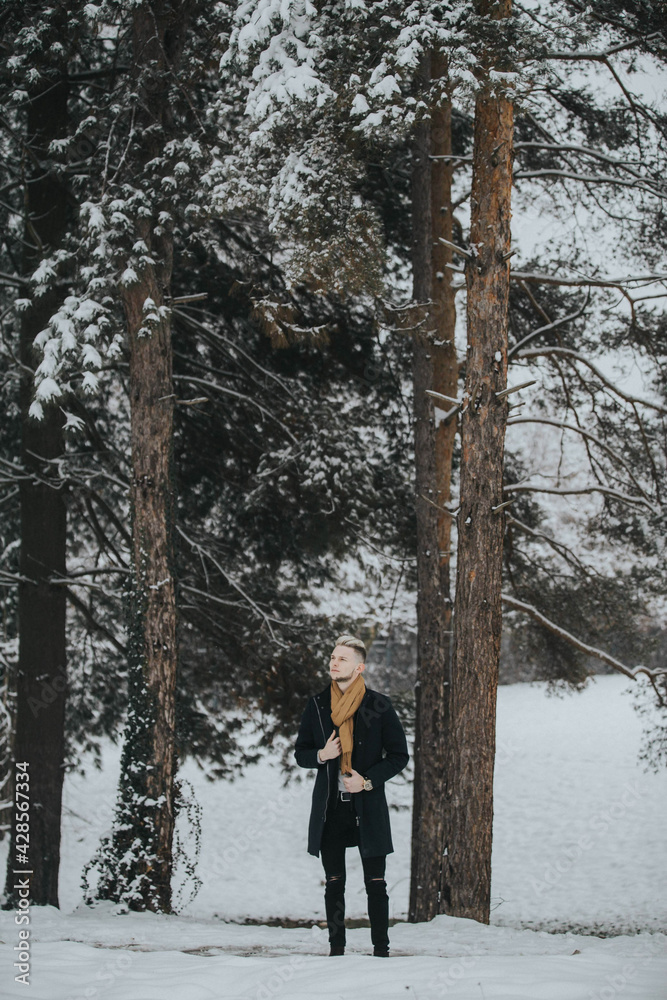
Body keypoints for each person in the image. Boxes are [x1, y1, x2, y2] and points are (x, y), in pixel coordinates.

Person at [294, 634, 409, 957]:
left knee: (376, 882)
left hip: (367, 805)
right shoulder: (317, 705)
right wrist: (321, 754)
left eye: (342, 659)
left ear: (359, 667)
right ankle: (336, 949)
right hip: (331, 808)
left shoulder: (379, 705)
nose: (334, 662)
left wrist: (368, 781)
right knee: (334, 882)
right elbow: (300, 753)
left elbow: (399, 756)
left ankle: (381, 950)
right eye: (332, 657)